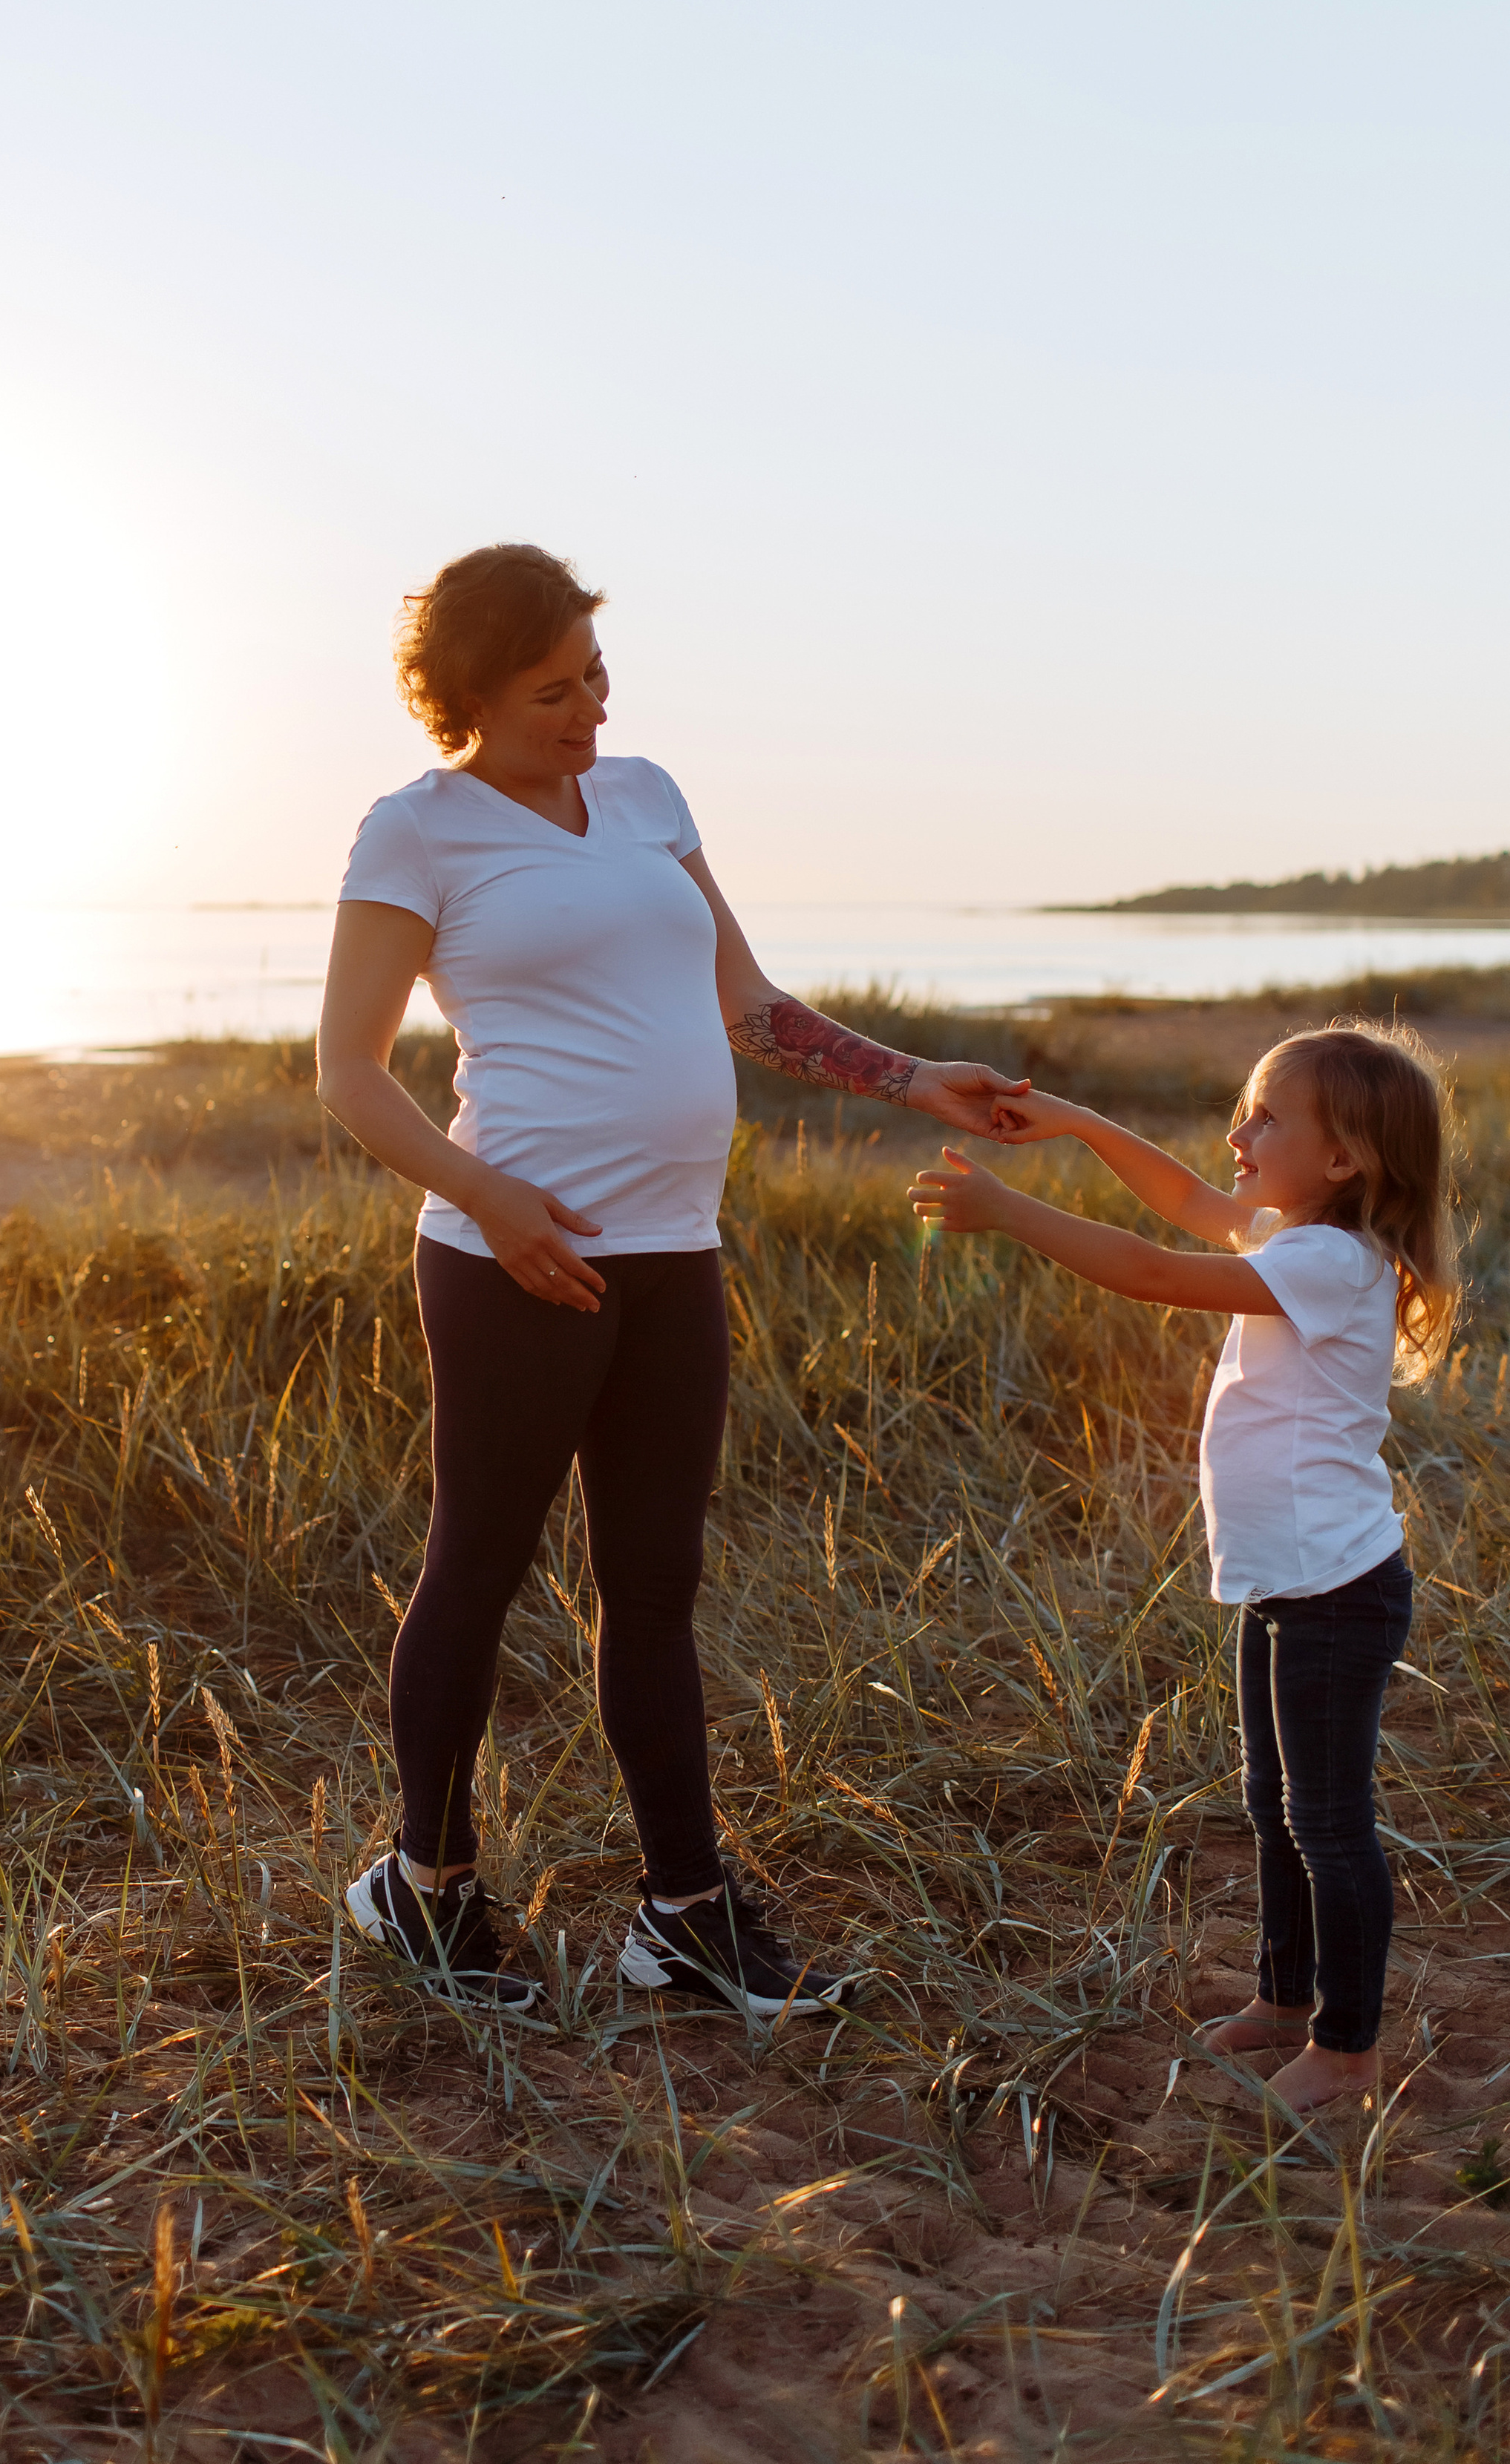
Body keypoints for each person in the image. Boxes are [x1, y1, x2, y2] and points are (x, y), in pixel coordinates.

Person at [317, 542, 1026, 2018]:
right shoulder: (414, 835)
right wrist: (491, 1202)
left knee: (652, 1588)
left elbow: (747, 1005)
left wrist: (912, 1081)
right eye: (548, 691)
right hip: (514, 1262)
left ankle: (683, 1918)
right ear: (462, 700)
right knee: (478, 1570)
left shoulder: (642, 797)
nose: (585, 711)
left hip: (670, 1253)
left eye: (594, 677)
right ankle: (426, 1888)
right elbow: (349, 1076)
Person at [909, 1021, 1457, 2113]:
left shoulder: (1332, 1261)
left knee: (1328, 1821)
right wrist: (1068, 1120)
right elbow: (1186, 1204)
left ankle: (1347, 2052)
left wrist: (1009, 1211)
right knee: (1275, 1802)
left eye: (1266, 1117)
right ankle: (1284, 1998)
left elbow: (1158, 1268)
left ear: (1343, 1158)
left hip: (1335, 1591)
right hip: (1286, 1583)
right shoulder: (1298, 1235)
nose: (1236, 1132)